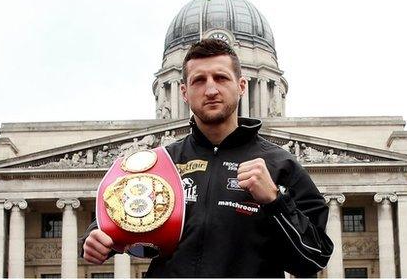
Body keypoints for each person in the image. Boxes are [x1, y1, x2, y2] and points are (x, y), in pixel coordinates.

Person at [80, 39, 333, 277]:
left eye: (221, 78)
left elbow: (313, 259)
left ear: (242, 85)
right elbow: (114, 220)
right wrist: (95, 239)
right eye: (199, 80)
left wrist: (275, 202)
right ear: (183, 92)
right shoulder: (159, 163)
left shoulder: (281, 165)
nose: (211, 89)